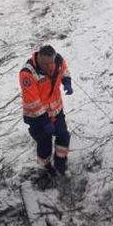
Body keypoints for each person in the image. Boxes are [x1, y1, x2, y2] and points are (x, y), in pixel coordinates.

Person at [20, 45, 73, 177]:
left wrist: (67, 81)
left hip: (56, 111)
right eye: (45, 64)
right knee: (44, 143)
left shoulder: (57, 61)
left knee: (63, 136)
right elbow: (33, 102)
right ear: (38, 58)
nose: (50, 67)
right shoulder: (27, 73)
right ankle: (45, 167)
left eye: (51, 63)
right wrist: (45, 122)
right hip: (36, 116)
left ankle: (61, 163)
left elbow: (64, 70)